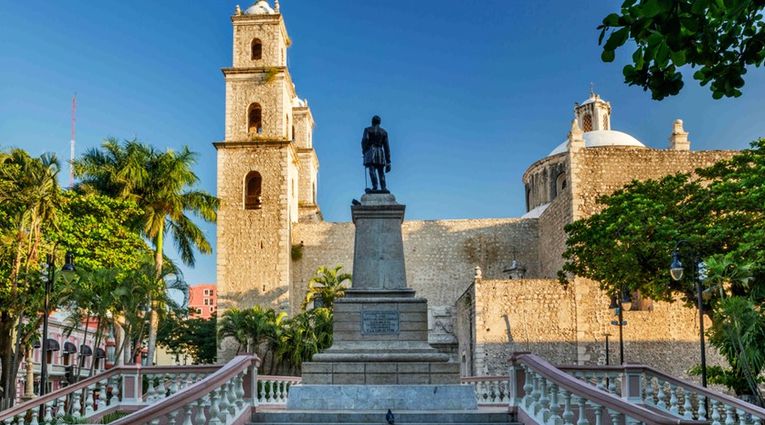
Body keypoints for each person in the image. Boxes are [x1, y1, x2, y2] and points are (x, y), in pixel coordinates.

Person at [361, 115, 391, 192]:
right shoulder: (384, 132)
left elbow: (365, 140)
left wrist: (364, 150)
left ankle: (375, 186)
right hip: (380, 152)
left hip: (371, 152)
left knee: (372, 170)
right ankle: (383, 187)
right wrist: (388, 161)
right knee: (381, 171)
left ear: (372, 122)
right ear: (379, 122)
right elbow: (387, 147)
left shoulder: (367, 130)